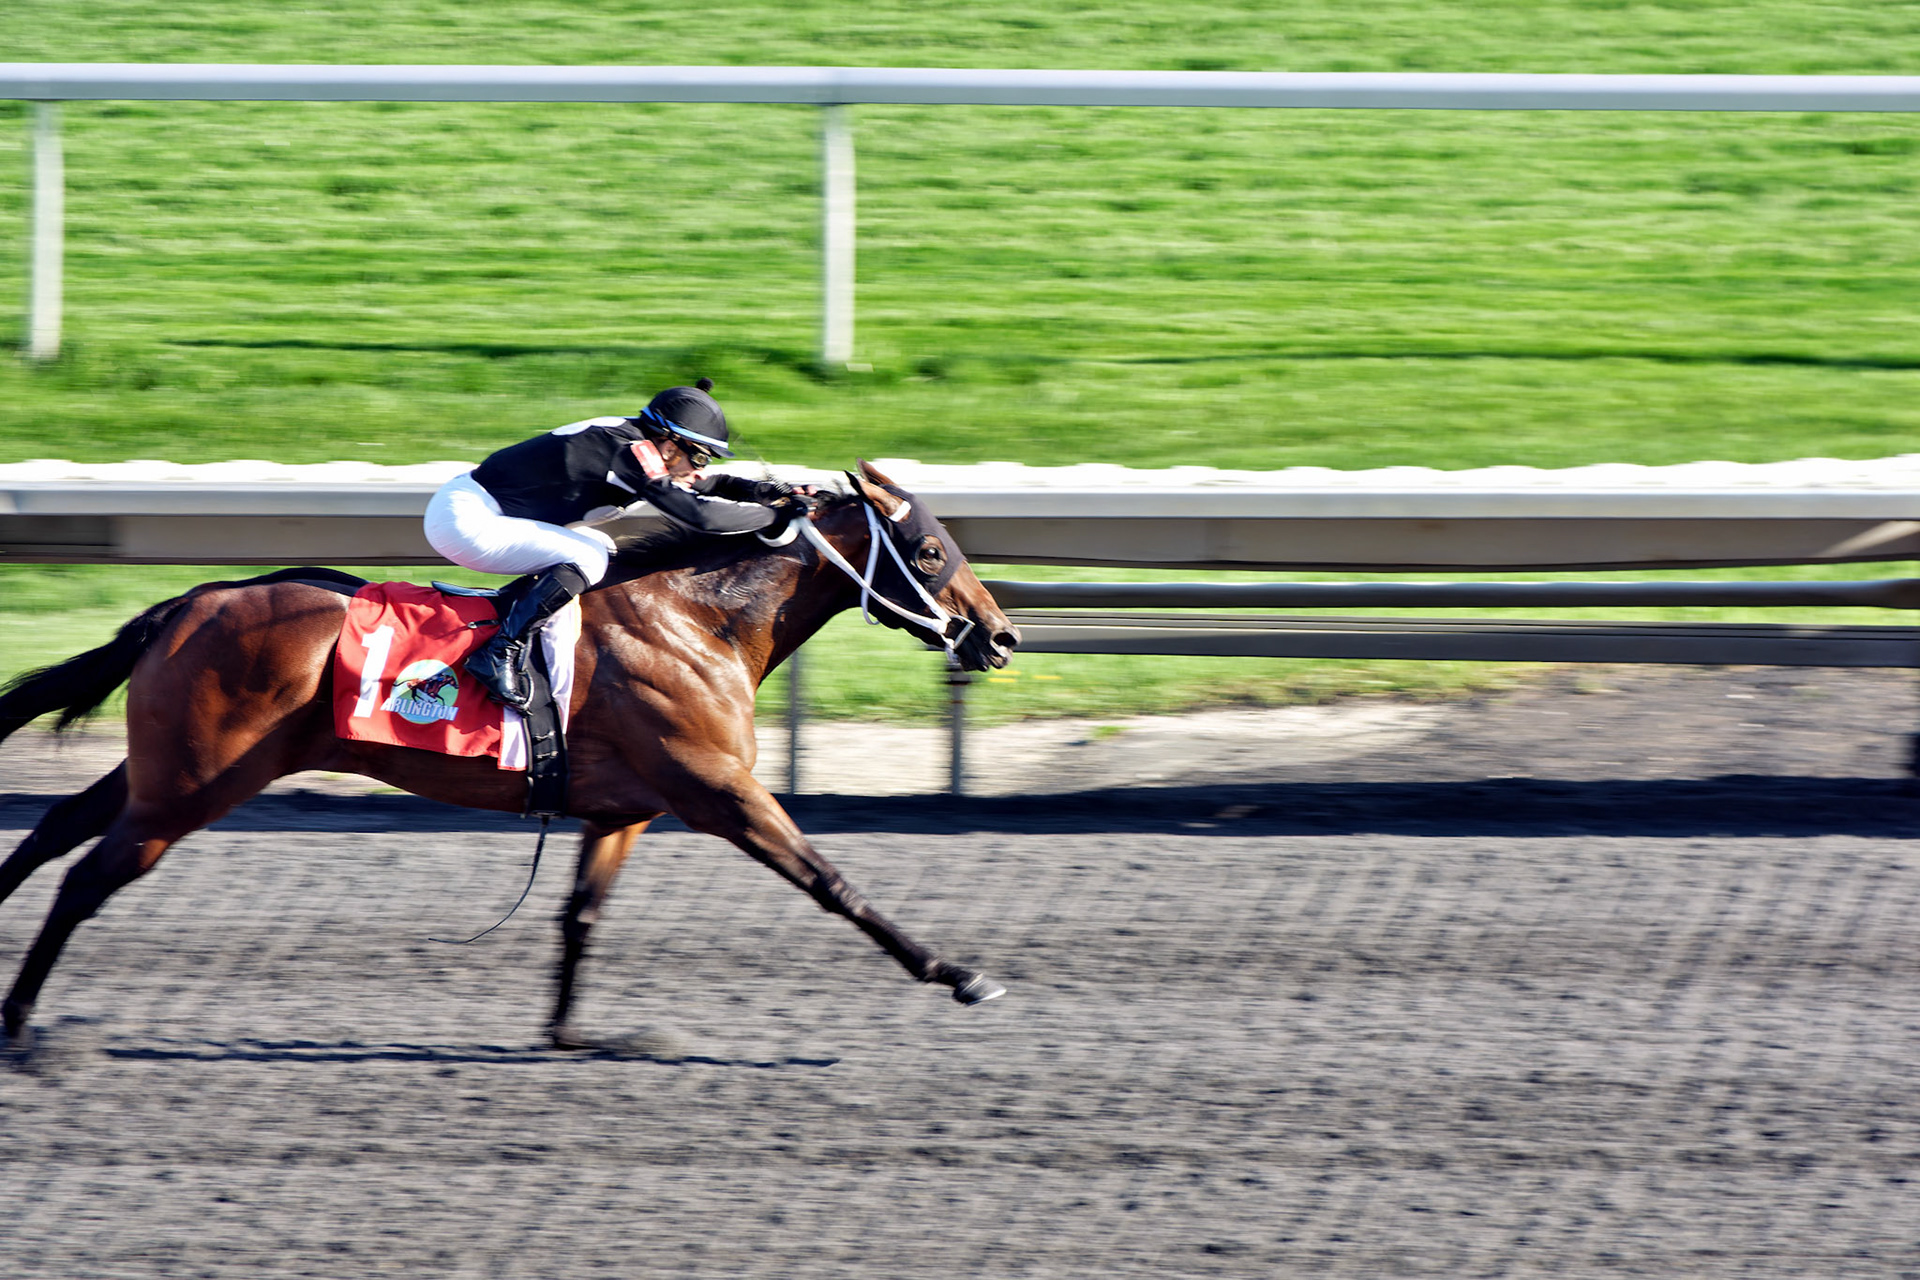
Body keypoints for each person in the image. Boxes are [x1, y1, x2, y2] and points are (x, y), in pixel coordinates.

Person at [424, 378, 800, 710]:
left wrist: (766, 494)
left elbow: (708, 485)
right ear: (669, 445)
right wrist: (774, 517)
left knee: (593, 547)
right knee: (589, 554)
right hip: (467, 520)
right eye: (699, 455)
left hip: (478, 510)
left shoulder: (637, 443)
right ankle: (499, 651)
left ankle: (513, 623)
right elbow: (699, 516)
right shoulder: (629, 452)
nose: (701, 467)